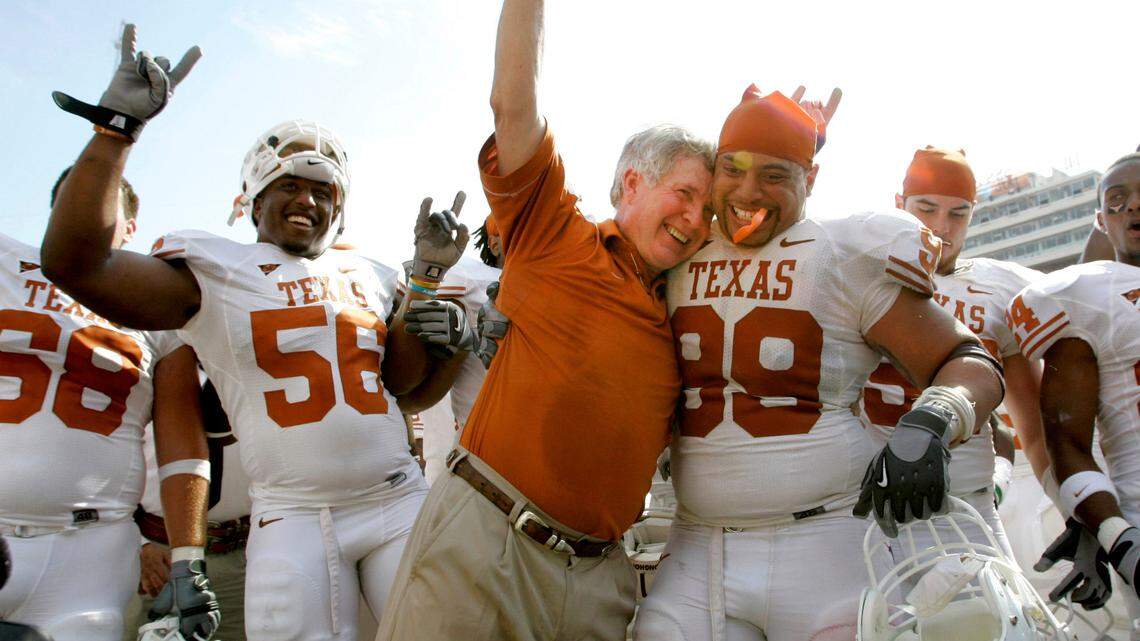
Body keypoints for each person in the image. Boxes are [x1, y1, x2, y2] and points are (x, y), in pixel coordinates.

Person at [42, 25, 470, 641]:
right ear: (252, 200)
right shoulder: (215, 271)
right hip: (293, 514)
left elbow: (403, 390)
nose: (308, 200)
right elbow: (78, 263)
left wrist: (431, 304)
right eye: (289, 185)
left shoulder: (368, 273)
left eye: (323, 191)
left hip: (395, 500)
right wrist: (115, 132)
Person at [376, 1, 715, 638]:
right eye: (685, 194)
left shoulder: (691, 301)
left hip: (598, 582)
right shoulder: (552, 231)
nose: (696, 220)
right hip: (485, 547)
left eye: (708, 208)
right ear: (633, 182)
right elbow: (513, 104)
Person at [633, 89, 1005, 641]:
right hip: (698, 542)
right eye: (730, 169)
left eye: (775, 176)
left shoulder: (844, 253)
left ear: (812, 177)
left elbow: (968, 360)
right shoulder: (681, 243)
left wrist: (930, 424)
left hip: (826, 537)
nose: (747, 190)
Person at [0, 166, 213, 641]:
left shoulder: (152, 303)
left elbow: (181, 439)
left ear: (131, 228)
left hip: (91, 551)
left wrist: (187, 557)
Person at [863, 147, 1046, 559]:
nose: (940, 227)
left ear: (973, 213)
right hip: (869, 506)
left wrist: (1078, 513)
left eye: (957, 213)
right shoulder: (863, 270)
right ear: (899, 204)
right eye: (925, 209)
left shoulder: (1002, 287)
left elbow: (1032, 432)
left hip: (970, 508)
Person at [1009, 152, 1140, 635]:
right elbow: (1066, 443)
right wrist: (1115, 536)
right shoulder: (1092, 296)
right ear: (1101, 220)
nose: (1133, 208)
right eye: (1118, 200)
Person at [123, 378, 251, 641]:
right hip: (160, 555)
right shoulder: (149, 365)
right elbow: (104, 467)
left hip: (241, 551)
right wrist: (139, 542)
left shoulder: (245, 363)